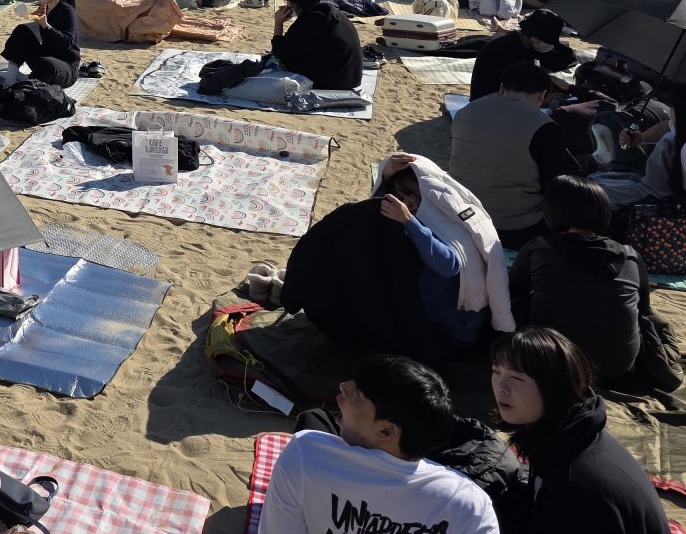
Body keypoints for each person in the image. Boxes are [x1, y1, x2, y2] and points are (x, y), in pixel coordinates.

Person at [259, 354, 499, 534]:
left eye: (359, 393)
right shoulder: (470, 506)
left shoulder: (308, 454)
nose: (343, 387)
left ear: (386, 430)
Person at [491, 327, 668, 533]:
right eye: (496, 371)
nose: (501, 386)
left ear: (554, 387)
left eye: (517, 378)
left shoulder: (572, 482)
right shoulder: (575, 435)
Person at [509, 176, 647, 380]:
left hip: (551, 366)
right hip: (618, 370)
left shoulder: (538, 249)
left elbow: (510, 293)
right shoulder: (630, 256)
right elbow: (643, 308)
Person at [451, 61, 579, 249]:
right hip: (512, 226)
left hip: (462, 213)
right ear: (543, 95)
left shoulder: (466, 111)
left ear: (502, 87)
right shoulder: (543, 126)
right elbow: (554, 184)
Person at [375, 160, 486, 353]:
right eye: (401, 197)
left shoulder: (444, 221)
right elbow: (378, 209)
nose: (407, 203)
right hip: (443, 321)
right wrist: (386, 174)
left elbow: (448, 265)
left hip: (453, 333)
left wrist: (410, 222)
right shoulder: (437, 212)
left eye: (412, 194)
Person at [272, 0, 362, 89]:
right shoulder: (334, 13)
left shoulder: (307, 22)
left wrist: (278, 23)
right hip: (353, 77)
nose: (286, 3)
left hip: (333, 82)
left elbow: (280, 53)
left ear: (294, 5)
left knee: (276, 64)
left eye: (288, 0)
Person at [469, 9, 574, 99]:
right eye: (546, 41)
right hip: (488, 100)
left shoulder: (525, 44)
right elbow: (521, 88)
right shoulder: (507, 49)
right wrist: (548, 97)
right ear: (533, 36)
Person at [0, 0, 80, 86]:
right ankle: (11, 76)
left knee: (47, 63)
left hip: (65, 68)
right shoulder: (44, 8)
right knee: (22, 30)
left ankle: (27, 84)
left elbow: (67, 42)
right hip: (45, 58)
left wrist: (46, 26)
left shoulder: (67, 11)